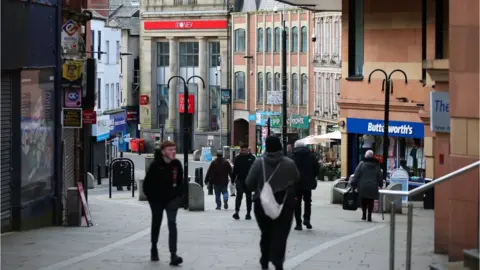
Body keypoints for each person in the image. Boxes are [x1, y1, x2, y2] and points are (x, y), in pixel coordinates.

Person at [246, 136, 300, 270]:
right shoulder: (289, 164)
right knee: (281, 234)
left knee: (266, 233)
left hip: (262, 204)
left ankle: (264, 258)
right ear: (280, 147)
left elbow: (249, 183)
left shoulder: (259, 163)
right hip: (284, 204)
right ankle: (278, 260)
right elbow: (297, 179)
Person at [143, 140, 184, 265]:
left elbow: (181, 182)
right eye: (170, 150)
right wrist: (151, 198)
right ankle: (154, 248)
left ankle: (173, 255)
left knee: (172, 223)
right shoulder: (156, 165)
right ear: (163, 152)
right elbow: (147, 184)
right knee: (157, 222)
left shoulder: (177, 164)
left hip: (172, 200)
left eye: (174, 149)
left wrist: (179, 197)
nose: (173, 152)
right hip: (156, 200)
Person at [291, 140, 319, 230]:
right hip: (308, 181)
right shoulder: (311, 156)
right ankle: (307, 220)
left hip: (296, 182)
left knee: (297, 203)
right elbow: (316, 167)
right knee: (307, 201)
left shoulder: (293, 156)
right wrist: (312, 176)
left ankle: (298, 223)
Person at [349, 150, 383, 222]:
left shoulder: (361, 164)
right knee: (371, 201)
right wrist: (380, 184)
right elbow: (380, 176)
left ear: (365, 156)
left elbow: (356, 174)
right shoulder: (376, 165)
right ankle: (369, 216)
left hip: (363, 186)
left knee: (363, 200)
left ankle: (364, 215)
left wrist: (352, 183)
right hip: (373, 186)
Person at [232, 143, 256, 220]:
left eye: (244, 150)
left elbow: (255, 170)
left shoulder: (252, 158)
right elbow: (234, 170)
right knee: (239, 196)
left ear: (247, 150)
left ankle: (248, 213)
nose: (243, 151)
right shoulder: (237, 158)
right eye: (242, 150)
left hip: (249, 180)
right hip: (240, 180)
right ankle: (237, 212)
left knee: (248, 197)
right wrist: (232, 180)